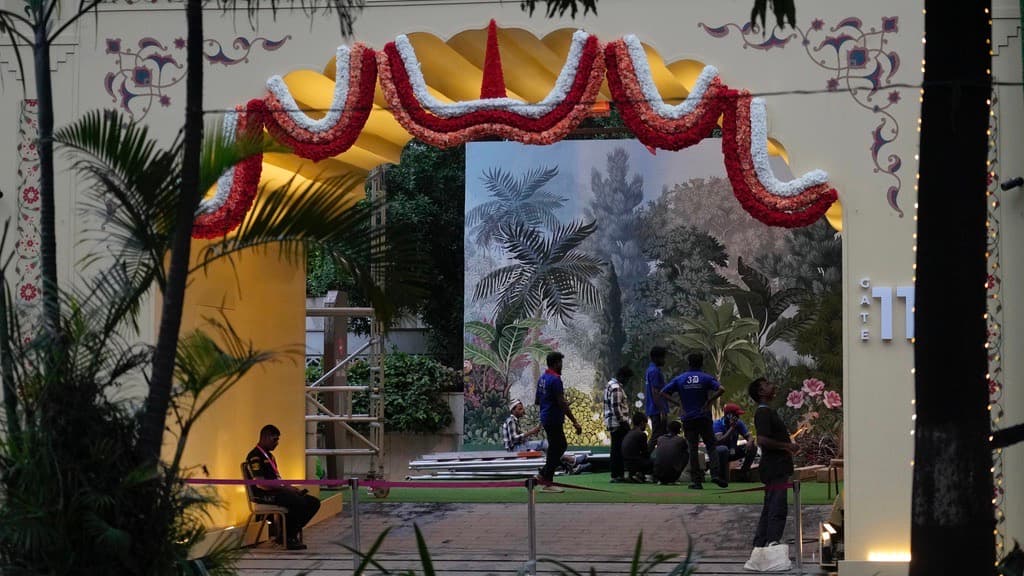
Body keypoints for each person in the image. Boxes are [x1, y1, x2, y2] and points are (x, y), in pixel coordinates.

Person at [245, 424, 321, 550]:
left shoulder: (270, 457)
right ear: (265, 437)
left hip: (277, 492)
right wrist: (285, 489)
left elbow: (277, 479)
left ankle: (286, 534)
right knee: (297, 502)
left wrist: (291, 488)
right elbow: (261, 484)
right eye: (275, 439)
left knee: (313, 502)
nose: (277, 443)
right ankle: (288, 537)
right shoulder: (255, 456)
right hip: (263, 494)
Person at [662, 352, 726, 489]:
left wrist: (678, 404)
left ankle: (696, 481)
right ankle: (715, 475)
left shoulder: (680, 379)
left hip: (688, 418)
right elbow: (721, 389)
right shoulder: (706, 378)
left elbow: (663, 392)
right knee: (711, 446)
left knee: (693, 449)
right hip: (704, 417)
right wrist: (709, 400)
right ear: (701, 363)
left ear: (689, 363)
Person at [748, 377, 797, 550]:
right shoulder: (763, 413)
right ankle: (772, 541)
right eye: (767, 384)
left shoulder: (768, 412)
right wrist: (787, 446)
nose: (772, 386)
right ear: (761, 392)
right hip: (774, 466)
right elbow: (762, 439)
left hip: (778, 465)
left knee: (770, 505)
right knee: (777, 505)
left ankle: (761, 543)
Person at [534, 352, 583, 493]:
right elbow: (561, 402)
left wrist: (551, 403)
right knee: (560, 446)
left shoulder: (542, 378)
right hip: (553, 418)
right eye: (560, 362)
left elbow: (538, 400)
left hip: (546, 417)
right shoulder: (555, 380)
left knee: (556, 447)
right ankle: (547, 482)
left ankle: (543, 474)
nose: (562, 365)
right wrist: (575, 422)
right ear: (555, 363)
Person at [603, 366, 633, 483]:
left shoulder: (610, 384)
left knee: (616, 449)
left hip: (613, 422)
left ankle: (616, 474)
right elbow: (616, 407)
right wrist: (623, 422)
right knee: (618, 450)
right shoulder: (616, 388)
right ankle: (617, 475)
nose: (627, 381)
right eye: (627, 379)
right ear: (622, 377)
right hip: (618, 423)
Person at [713, 402, 758, 481]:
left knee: (753, 447)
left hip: (732, 451)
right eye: (736, 415)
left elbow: (749, 436)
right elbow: (720, 441)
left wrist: (749, 442)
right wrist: (732, 428)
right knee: (723, 449)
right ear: (729, 415)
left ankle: (743, 473)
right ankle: (720, 475)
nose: (738, 417)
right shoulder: (717, 424)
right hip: (719, 454)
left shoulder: (739, 423)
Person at [643, 346, 671, 453]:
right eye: (663, 358)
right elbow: (656, 393)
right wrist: (662, 410)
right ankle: (644, 458)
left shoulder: (650, 370)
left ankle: (662, 459)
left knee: (661, 436)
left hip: (653, 408)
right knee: (657, 436)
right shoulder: (654, 371)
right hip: (657, 409)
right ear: (657, 358)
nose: (664, 360)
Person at [652, 420, 690, 485]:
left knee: (657, 453)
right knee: (686, 453)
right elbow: (686, 451)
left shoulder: (660, 438)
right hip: (673, 475)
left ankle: (660, 474)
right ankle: (674, 474)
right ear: (679, 430)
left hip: (657, 474)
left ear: (667, 429)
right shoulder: (680, 440)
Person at [621, 412, 653, 482]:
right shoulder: (641, 434)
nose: (646, 426)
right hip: (635, 463)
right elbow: (645, 453)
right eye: (645, 423)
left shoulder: (629, 433)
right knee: (654, 462)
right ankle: (641, 475)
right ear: (642, 423)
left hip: (626, 463)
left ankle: (634, 475)